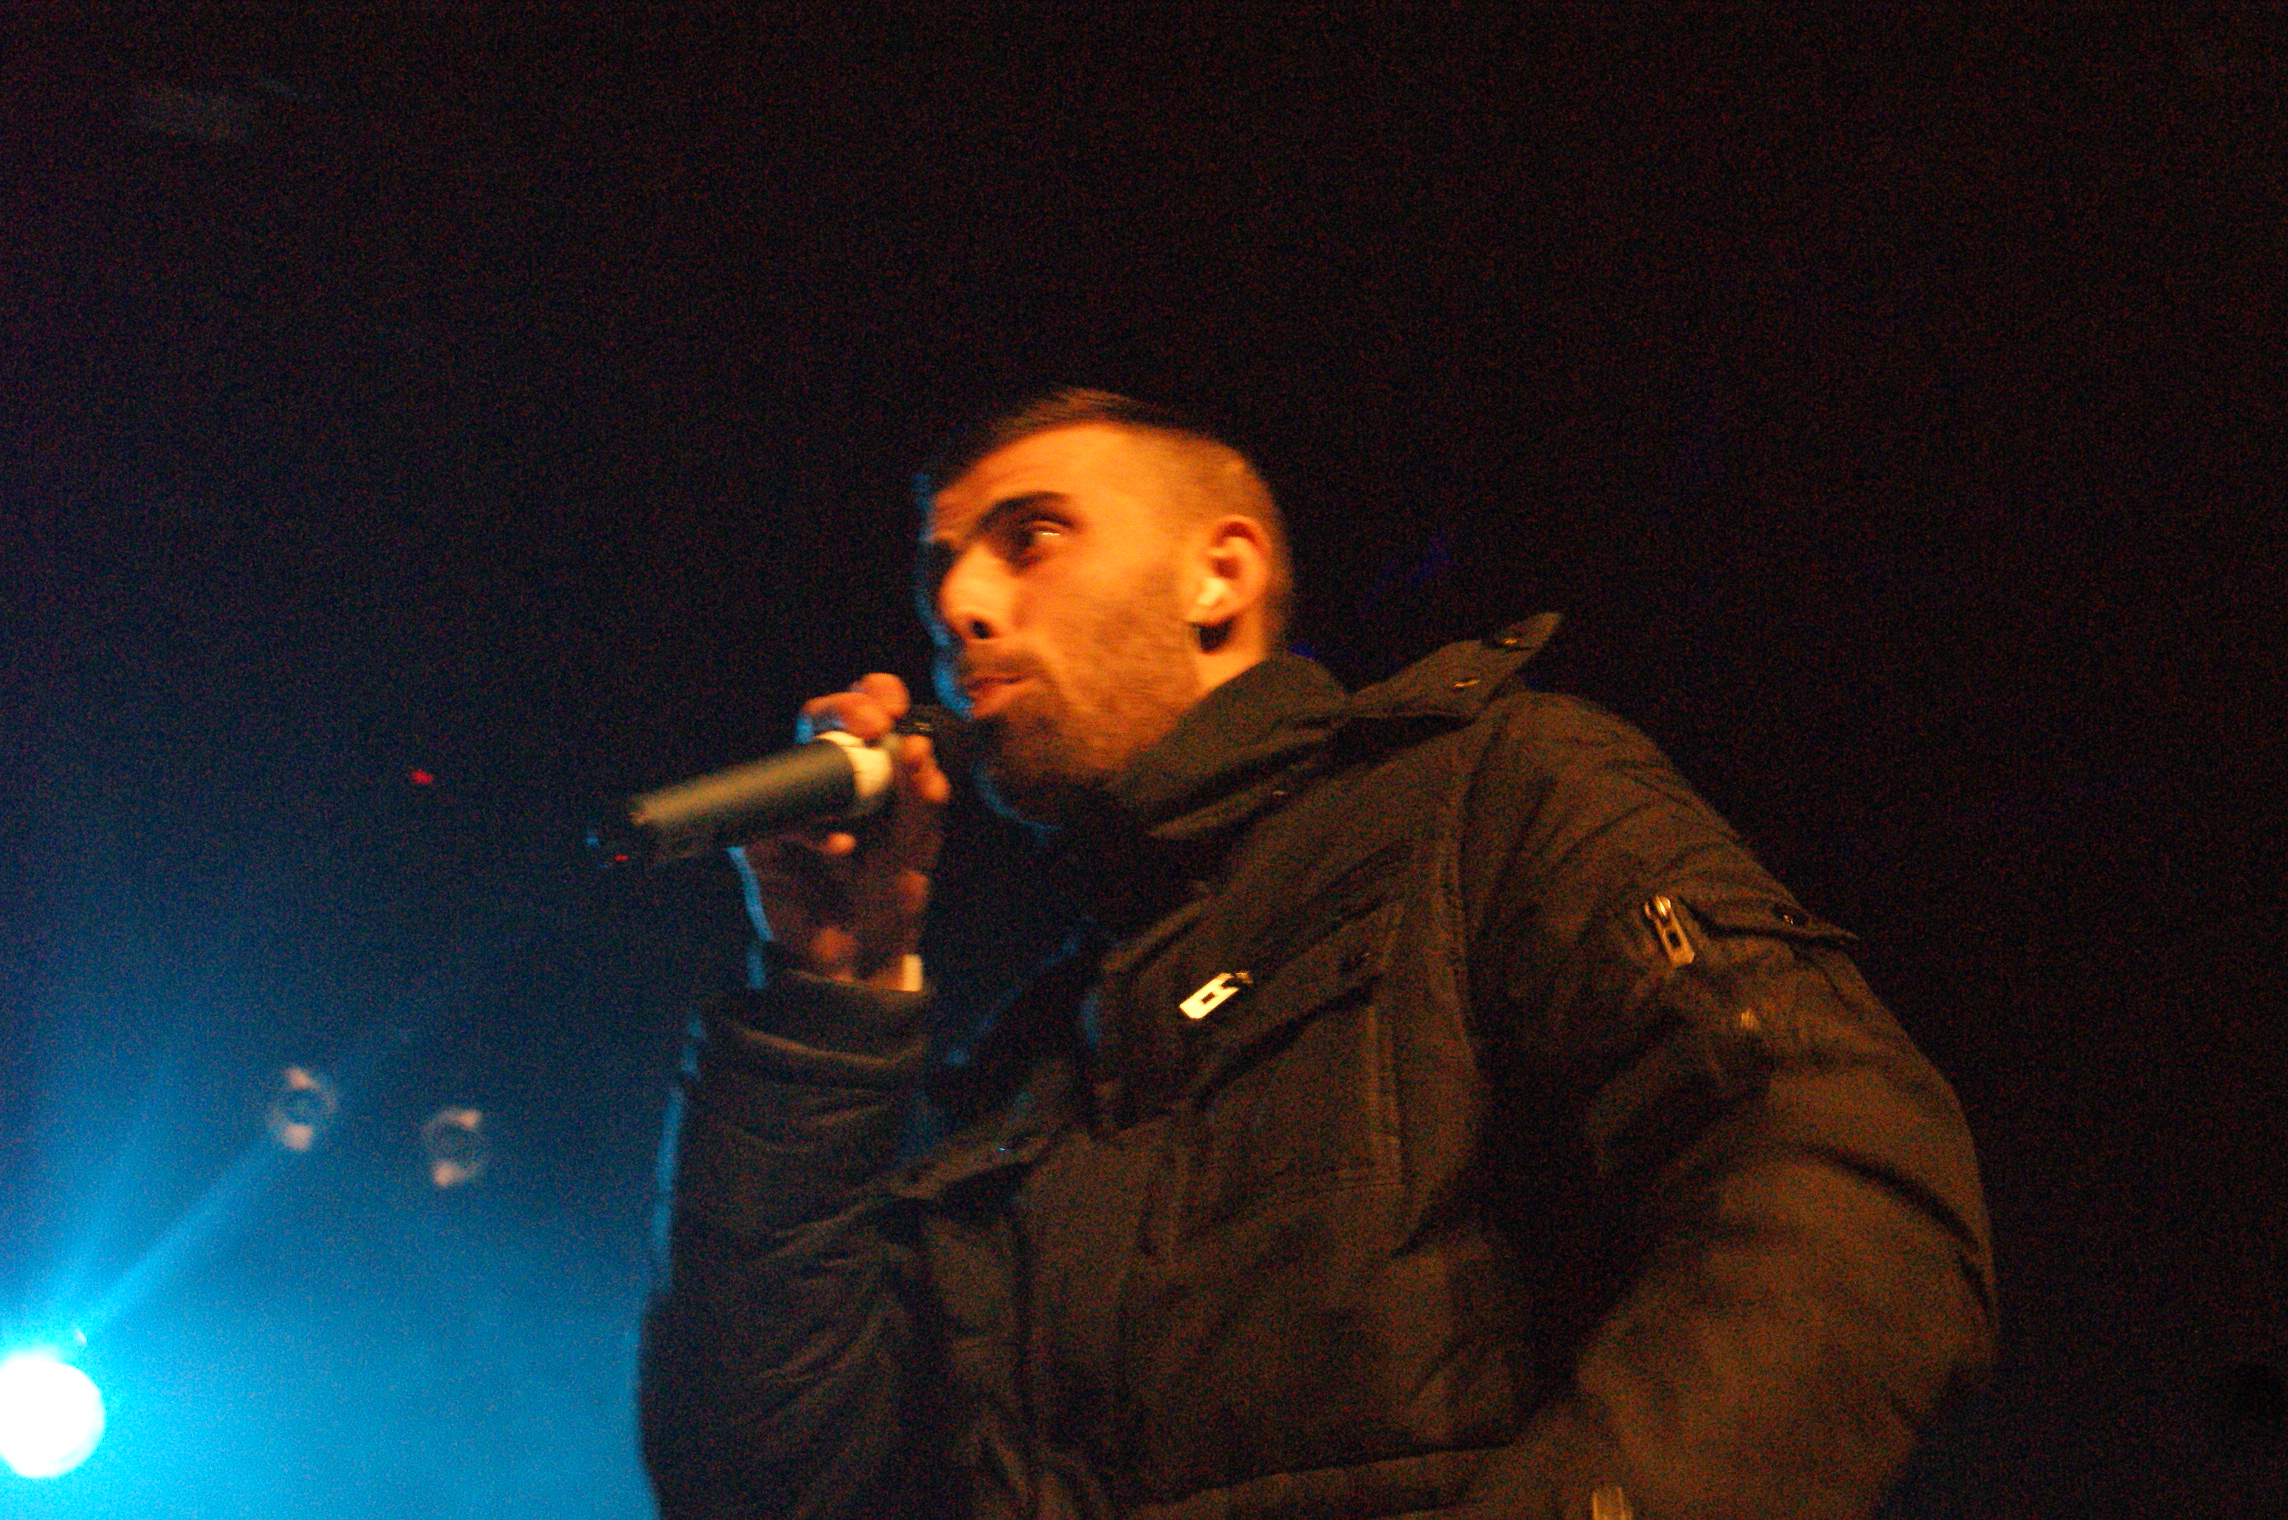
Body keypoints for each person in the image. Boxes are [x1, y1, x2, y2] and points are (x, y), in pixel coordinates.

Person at [638, 390, 1997, 1520]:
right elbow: (765, 1481)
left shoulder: (1491, 795)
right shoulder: (1030, 1069)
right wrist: (823, 994)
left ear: (1218, 577)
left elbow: (1844, 1191)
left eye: (1028, 537)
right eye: (939, 570)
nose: (960, 604)